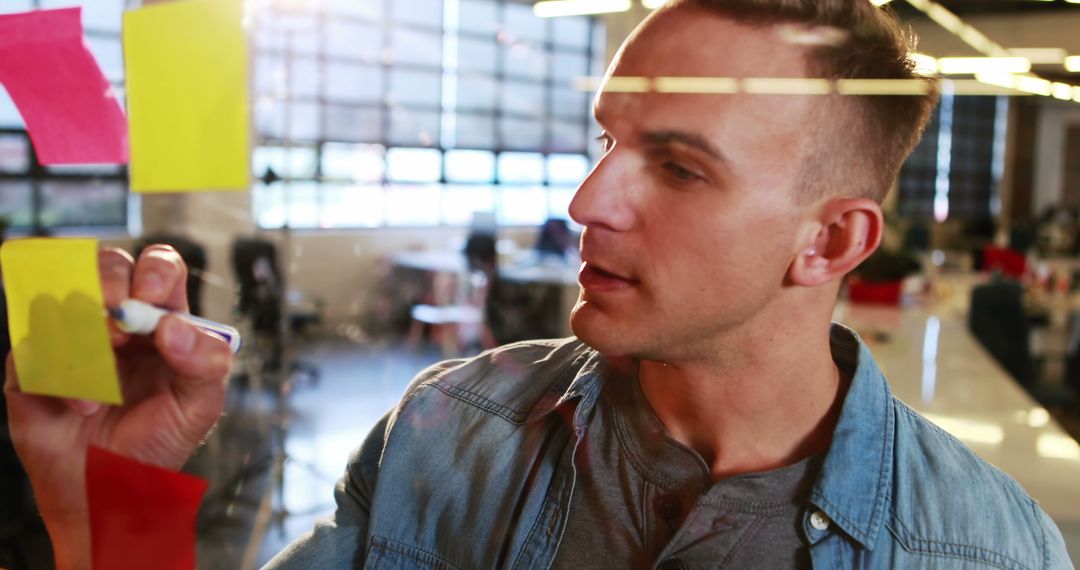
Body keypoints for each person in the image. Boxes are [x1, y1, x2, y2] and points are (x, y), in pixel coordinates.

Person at [5, 0, 1072, 568]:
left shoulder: (982, 552)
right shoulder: (446, 435)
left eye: (679, 165)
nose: (588, 198)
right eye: (605, 139)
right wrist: (98, 511)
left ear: (831, 241)